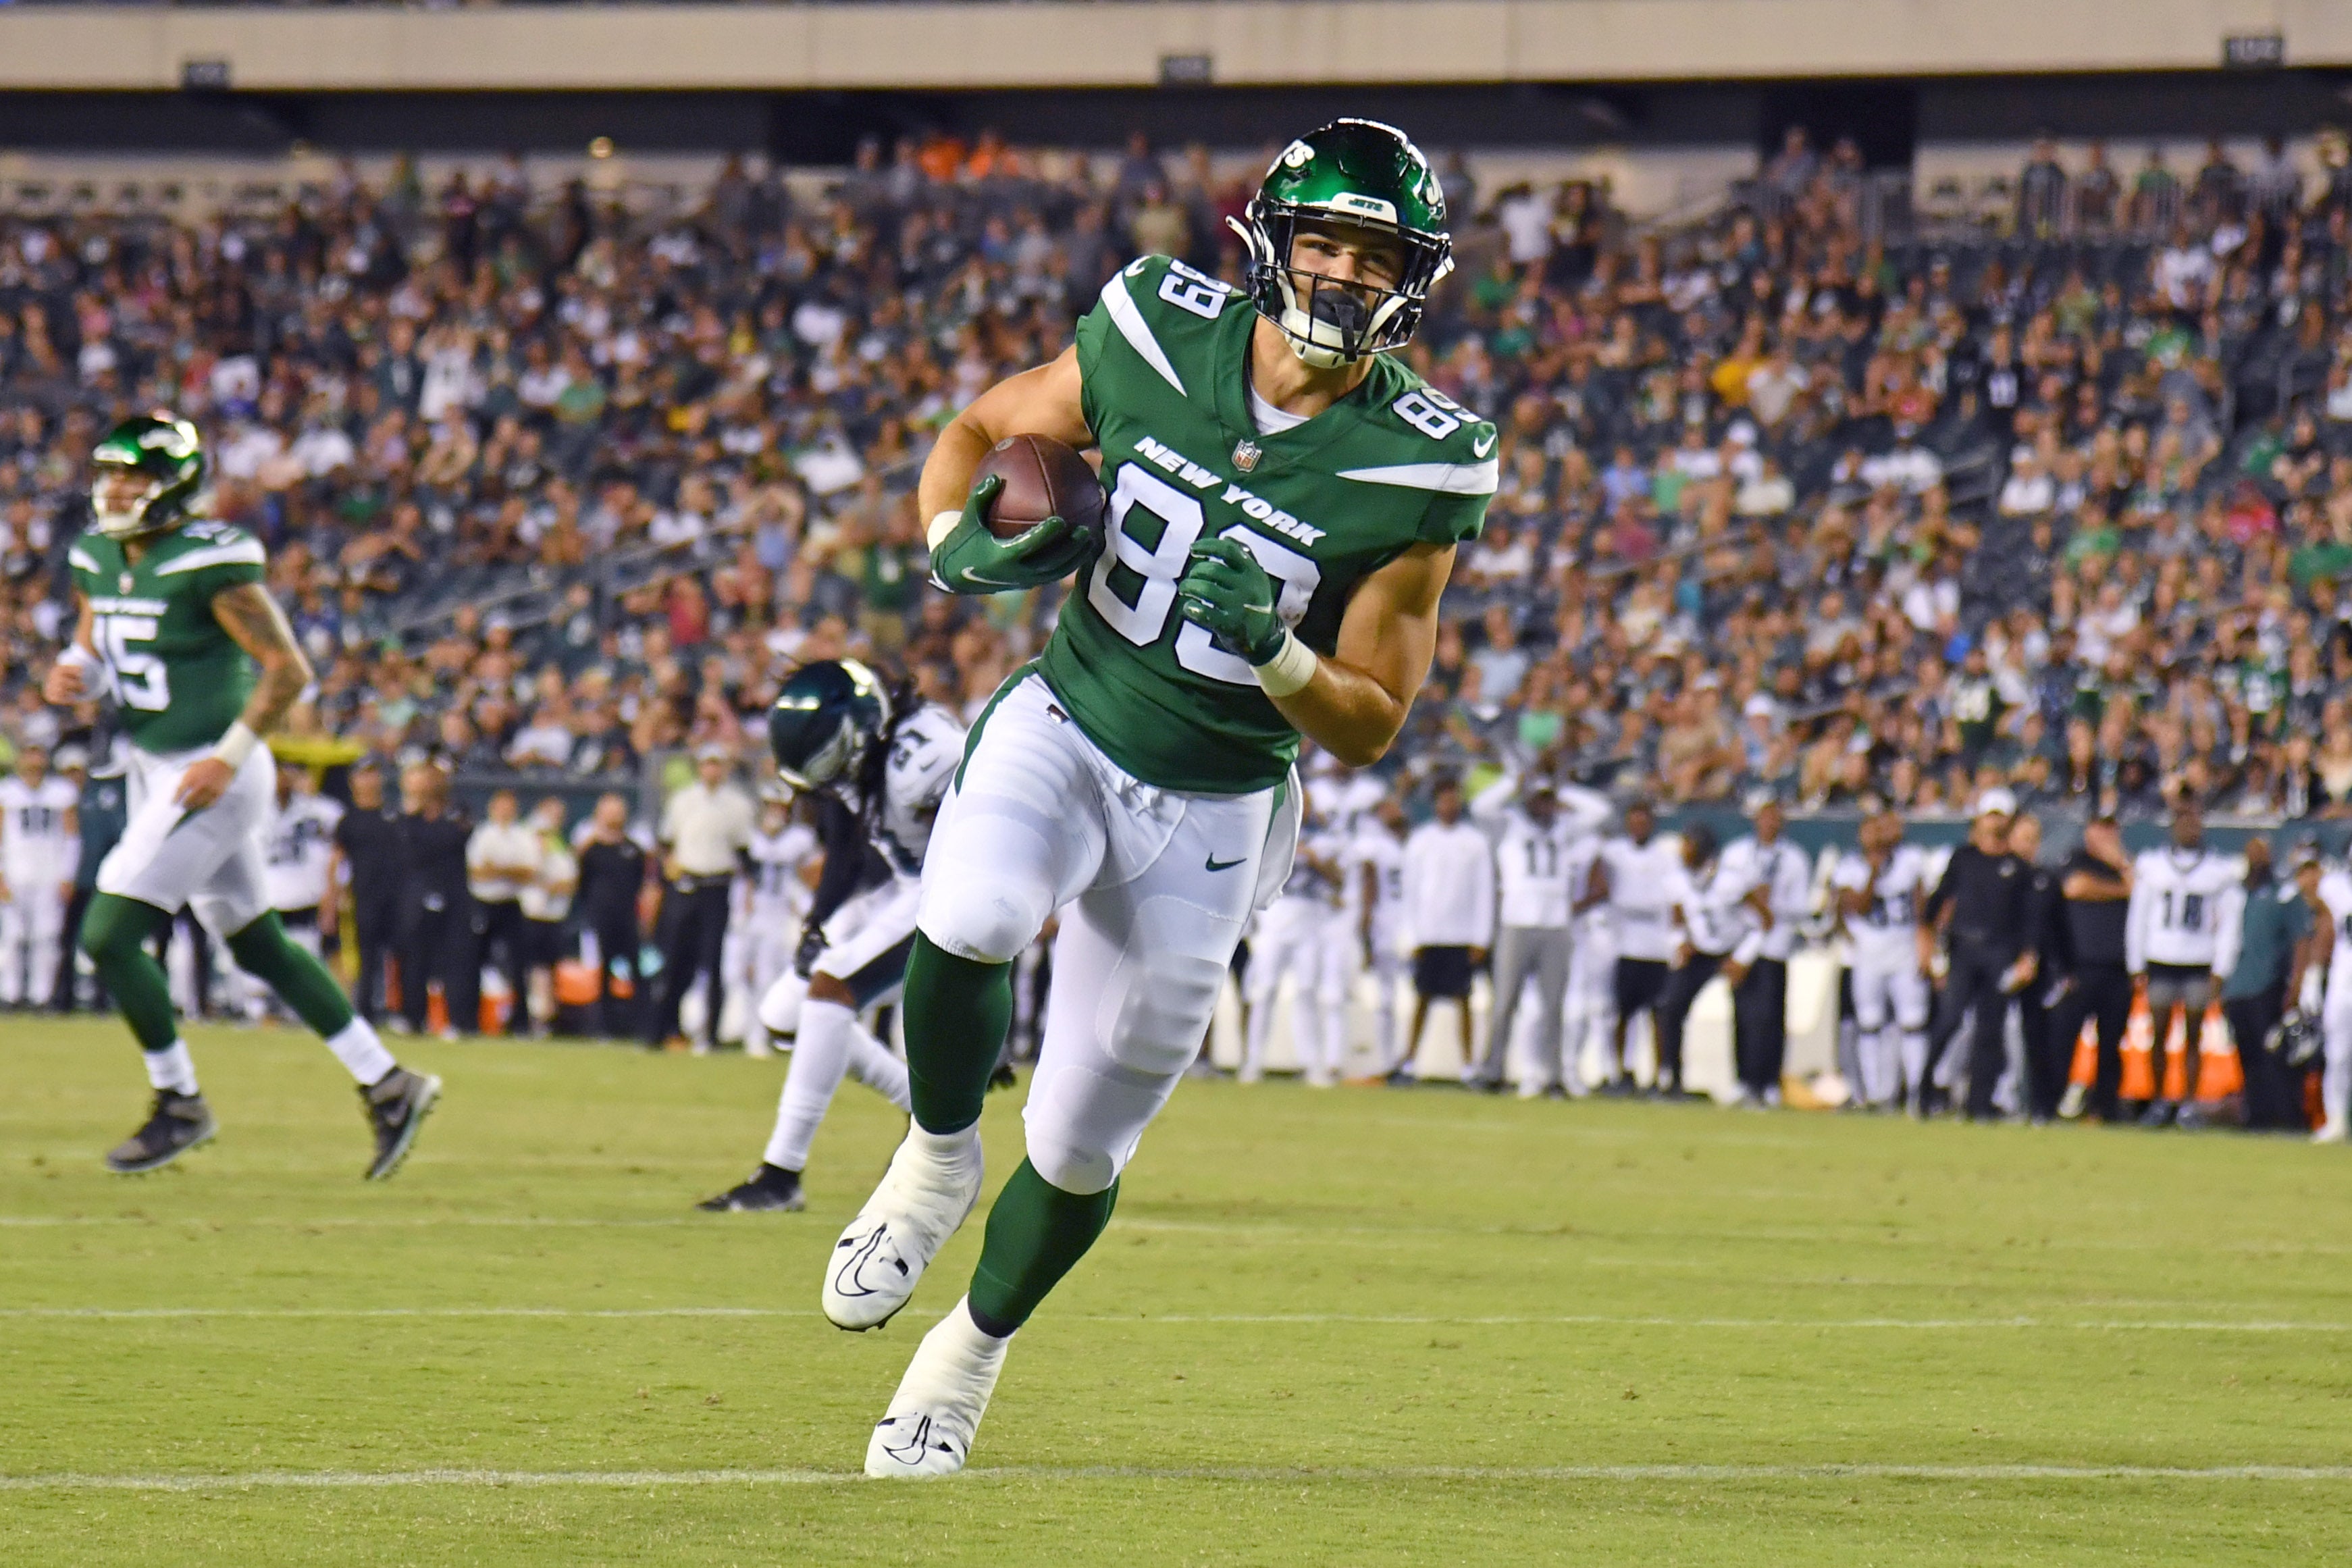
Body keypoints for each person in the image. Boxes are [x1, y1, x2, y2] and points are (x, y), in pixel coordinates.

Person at [830, 120, 1490, 1477]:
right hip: (1072, 713)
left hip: (1215, 798)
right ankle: (934, 1154)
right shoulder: (1148, 324)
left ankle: (964, 1356)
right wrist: (953, 547)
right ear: (1270, 242)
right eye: (1324, 242)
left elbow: (1368, 721)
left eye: (1376, 256)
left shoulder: (1425, 456)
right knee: (967, 918)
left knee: (1079, 1142)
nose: (1344, 277)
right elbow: (974, 434)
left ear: (1414, 276)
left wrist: (1278, 649)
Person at [42, 413, 437, 1178]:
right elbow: (98, 650)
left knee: (108, 935)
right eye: (111, 474)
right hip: (157, 767)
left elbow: (288, 670)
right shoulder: (94, 552)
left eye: (136, 477)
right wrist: (76, 675)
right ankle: (388, 1083)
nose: (118, 489)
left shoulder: (210, 559)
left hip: (216, 767)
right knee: (257, 942)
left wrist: (227, 757)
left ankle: (179, 1100)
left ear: (174, 488)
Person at [700, 660, 958, 1212]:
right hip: (906, 890)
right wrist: (822, 923)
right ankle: (929, 1109)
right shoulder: (870, 759)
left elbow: (991, 833)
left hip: (957, 897)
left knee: (830, 992)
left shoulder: (930, 760)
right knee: (783, 1017)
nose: (826, 779)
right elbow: (846, 850)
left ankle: (781, 1175)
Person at [1469, 773, 1607, 1096]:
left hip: (1556, 925)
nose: (1544, 806)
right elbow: (1479, 807)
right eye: (1538, 799)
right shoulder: (1508, 825)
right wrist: (1512, 781)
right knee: (1504, 1003)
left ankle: (1554, 1075)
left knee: (1553, 1006)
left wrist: (1564, 790)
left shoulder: (1565, 828)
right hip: (1516, 923)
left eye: (1548, 799)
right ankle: (1493, 1071)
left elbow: (1600, 811)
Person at [1920, 790, 2037, 1120]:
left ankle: (1979, 1103)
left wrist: (2028, 956)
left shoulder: (2017, 867)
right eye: (1991, 815)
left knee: (1991, 1029)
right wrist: (1928, 947)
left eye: (2002, 816)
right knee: (1949, 1019)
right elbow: (1936, 904)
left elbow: (2027, 918)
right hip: (1964, 948)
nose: (1996, 822)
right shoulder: (1964, 859)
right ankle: (1925, 1091)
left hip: (1999, 952)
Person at [2124, 798, 2239, 1127]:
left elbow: (2229, 923)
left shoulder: (2219, 871)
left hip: (2198, 959)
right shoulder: (2153, 866)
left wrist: (2221, 967)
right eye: (2184, 822)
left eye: (2195, 822)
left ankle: (2188, 1102)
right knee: (2158, 1033)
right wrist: (2137, 963)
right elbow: (2139, 917)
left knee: (2193, 1035)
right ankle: (2160, 1099)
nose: (2190, 828)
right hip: (2160, 958)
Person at [648, 744, 754, 1051]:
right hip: (685, 883)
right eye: (707, 764)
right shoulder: (683, 801)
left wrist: (747, 890)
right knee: (675, 959)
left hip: (717, 885)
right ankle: (664, 1029)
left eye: (717, 765)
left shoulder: (736, 805)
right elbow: (667, 842)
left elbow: (743, 852)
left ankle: (712, 1034)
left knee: (713, 961)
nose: (712, 771)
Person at [1831, 807, 1933, 1112]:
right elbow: (1856, 907)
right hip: (1869, 955)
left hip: (1904, 951)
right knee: (1870, 1023)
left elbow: (1922, 909)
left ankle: (1916, 1092)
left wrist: (1926, 946)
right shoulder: (1849, 866)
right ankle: (1875, 1094)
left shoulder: (1911, 861)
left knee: (1913, 1022)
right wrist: (1874, 873)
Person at [1240, 812, 1349, 1086]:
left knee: (1307, 992)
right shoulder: (1270, 834)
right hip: (1275, 916)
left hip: (1308, 920)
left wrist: (1314, 860)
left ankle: (1312, 1064)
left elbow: (1339, 880)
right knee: (1264, 991)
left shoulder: (1324, 842)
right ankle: (1253, 1061)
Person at [2213, 837, 2313, 1134]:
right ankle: (2257, 1116)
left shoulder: (2284, 894)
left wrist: (2296, 985)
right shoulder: (2237, 895)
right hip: (2238, 988)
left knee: (2274, 1056)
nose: (2256, 860)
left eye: (2261, 854)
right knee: (2248, 1057)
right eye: (2251, 854)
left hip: (2268, 987)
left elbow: (2301, 940)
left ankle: (2286, 1118)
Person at [1717, 798, 1813, 1107]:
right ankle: (1743, 1079)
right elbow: (1723, 895)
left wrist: (1773, 906)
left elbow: (1801, 908)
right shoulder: (1736, 853)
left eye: (1775, 817)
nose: (1769, 823)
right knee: (1742, 1013)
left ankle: (1769, 1081)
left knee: (1770, 1016)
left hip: (1775, 944)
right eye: (1764, 817)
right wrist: (1750, 901)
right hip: (1742, 943)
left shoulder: (1795, 859)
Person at [1402, 776, 1496, 1080]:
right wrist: (1412, 935)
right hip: (1429, 933)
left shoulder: (1475, 842)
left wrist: (1481, 937)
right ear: (1435, 805)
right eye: (1444, 800)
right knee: (1422, 998)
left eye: (1454, 800)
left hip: (1462, 934)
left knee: (1463, 1000)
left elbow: (1485, 891)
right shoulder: (1420, 840)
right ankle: (1410, 1062)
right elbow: (1411, 890)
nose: (1449, 806)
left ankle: (1468, 1066)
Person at [239, 760, 344, 1020]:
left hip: (303, 895)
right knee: (259, 960)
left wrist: (331, 896)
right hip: (266, 894)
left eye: (290, 770)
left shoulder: (322, 810)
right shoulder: (252, 808)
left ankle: (300, 1011)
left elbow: (336, 852)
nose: (283, 777)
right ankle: (259, 1012)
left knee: (304, 957)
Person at [1652, 821, 1745, 1098]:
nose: (1683, 850)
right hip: (1699, 952)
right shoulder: (1677, 880)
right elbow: (1677, 917)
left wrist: (1742, 957)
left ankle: (1748, 1082)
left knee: (1750, 1015)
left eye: (1689, 844)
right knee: (1669, 1007)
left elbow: (1759, 919)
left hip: (1731, 950)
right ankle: (1671, 1075)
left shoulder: (1731, 880)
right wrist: (1681, 942)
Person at [1594, 799, 1679, 1093]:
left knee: (1658, 1016)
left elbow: (1670, 900)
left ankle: (1660, 1075)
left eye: (1644, 821)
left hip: (1656, 948)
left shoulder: (1665, 858)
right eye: (1634, 821)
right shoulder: (1614, 854)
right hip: (1625, 946)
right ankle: (1620, 1071)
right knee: (1621, 1014)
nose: (1639, 826)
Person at [2054, 814, 2136, 1121]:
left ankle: (2105, 1108)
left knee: (2112, 1045)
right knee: (2065, 1039)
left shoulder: (2126, 864)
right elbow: (2075, 887)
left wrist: (2122, 865)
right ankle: (2054, 1102)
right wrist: (2121, 889)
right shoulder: (2076, 858)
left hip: (2118, 966)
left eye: (2112, 827)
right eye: (2102, 827)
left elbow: (2142, 888)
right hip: (2080, 964)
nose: (2108, 834)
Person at [737, 791, 818, 1057]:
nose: (776, 811)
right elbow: (744, 874)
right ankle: (746, 1030)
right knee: (736, 973)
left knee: (767, 975)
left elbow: (810, 874)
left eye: (781, 806)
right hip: (750, 912)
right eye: (771, 806)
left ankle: (762, 1035)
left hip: (780, 914)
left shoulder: (800, 839)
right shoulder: (750, 836)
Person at [394, 762, 473, 1039]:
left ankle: (458, 1020)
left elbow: (453, 838)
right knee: (415, 959)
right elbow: (409, 848)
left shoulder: (458, 812)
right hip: (418, 892)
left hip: (452, 892)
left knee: (455, 960)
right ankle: (412, 1017)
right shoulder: (407, 817)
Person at [326, 761, 405, 1024]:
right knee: (366, 957)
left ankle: (401, 1011)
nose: (369, 781)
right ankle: (365, 1011)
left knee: (400, 955)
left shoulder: (393, 816)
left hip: (396, 895)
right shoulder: (348, 821)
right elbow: (337, 861)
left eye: (373, 774)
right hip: (363, 895)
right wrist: (331, 900)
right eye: (364, 775)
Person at [0, 743, 78, 1008]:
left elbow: (71, 837)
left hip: (49, 874)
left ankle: (41, 995)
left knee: (46, 936)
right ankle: (10, 993)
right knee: (12, 936)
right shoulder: (7, 792)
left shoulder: (60, 793)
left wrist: (68, 874)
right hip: (15, 872)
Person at [2010, 812, 2072, 1124]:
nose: (2027, 846)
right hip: (1998, 969)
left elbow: (2060, 929)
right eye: (2022, 838)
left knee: (2037, 1040)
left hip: (2039, 974)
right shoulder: (1999, 875)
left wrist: (2067, 969)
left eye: (2032, 839)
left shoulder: (2044, 880)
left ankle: (2038, 1105)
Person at [572, 791, 650, 1038]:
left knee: (637, 970)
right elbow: (581, 883)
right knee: (601, 971)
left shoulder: (633, 850)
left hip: (627, 917)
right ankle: (602, 1026)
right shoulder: (590, 850)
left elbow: (643, 883)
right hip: (600, 918)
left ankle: (643, 1025)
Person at [56, 743, 127, 1013]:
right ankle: (63, 997)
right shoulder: (61, 800)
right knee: (66, 941)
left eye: (77, 771)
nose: (74, 777)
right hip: (68, 880)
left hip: (95, 880)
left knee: (97, 940)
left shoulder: (101, 797)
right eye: (68, 772)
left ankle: (100, 997)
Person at [464, 788, 539, 1037]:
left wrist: (497, 870)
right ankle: (470, 1020)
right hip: (485, 903)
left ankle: (520, 1023)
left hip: (512, 904)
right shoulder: (483, 834)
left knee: (519, 965)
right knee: (474, 961)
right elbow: (477, 871)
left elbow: (529, 872)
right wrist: (510, 871)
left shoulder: (523, 835)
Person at [1347, 795, 1411, 1078]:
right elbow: (1369, 882)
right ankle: (1383, 1060)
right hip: (1390, 926)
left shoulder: (1398, 844)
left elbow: (1371, 883)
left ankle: (1387, 1061)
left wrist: (1366, 926)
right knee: (1385, 998)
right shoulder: (1387, 845)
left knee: (1388, 999)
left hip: (1395, 927)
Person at [518, 797, 577, 1037]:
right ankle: (529, 1017)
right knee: (531, 969)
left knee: (548, 969)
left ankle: (546, 1017)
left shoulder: (560, 845)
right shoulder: (525, 839)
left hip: (553, 916)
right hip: (530, 914)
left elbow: (567, 881)